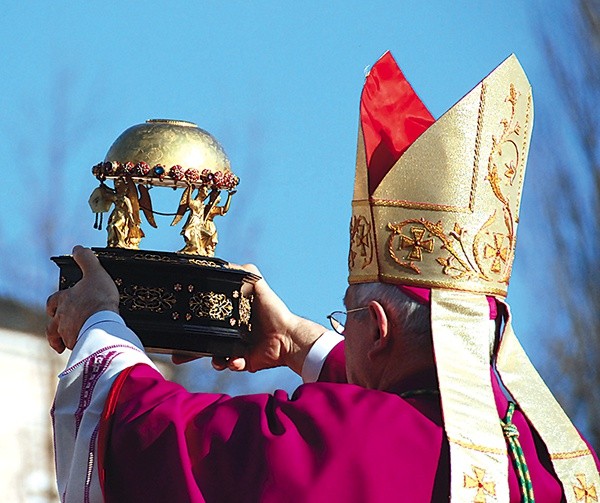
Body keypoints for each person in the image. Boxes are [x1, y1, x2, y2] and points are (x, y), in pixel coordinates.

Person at [47, 53, 600, 502]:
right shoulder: (549, 456)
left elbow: (164, 444)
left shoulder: (353, 440)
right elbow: (421, 423)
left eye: (347, 315)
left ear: (378, 329)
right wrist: (296, 342)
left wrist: (97, 326)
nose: (342, 330)